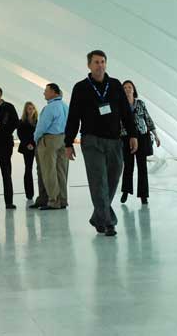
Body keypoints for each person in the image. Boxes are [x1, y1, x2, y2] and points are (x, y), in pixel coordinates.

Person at [65, 50, 138, 237]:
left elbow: (126, 112)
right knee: (98, 181)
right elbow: (73, 116)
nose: (100, 65)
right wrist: (68, 142)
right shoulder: (80, 88)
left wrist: (133, 134)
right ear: (89, 65)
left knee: (113, 179)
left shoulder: (114, 85)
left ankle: (98, 217)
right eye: (96, 62)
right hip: (91, 140)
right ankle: (108, 222)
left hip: (114, 140)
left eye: (103, 61)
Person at [120, 80, 160, 205]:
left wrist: (156, 135)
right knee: (128, 166)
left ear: (133, 90)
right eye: (125, 87)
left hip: (141, 137)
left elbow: (147, 118)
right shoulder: (119, 104)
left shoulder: (140, 103)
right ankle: (126, 191)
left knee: (142, 167)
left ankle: (143, 195)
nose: (127, 89)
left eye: (129, 87)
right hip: (126, 138)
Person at [34, 84, 70, 211]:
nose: (44, 93)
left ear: (54, 93)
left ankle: (54, 200)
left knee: (49, 171)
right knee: (62, 171)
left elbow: (42, 127)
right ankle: (63, 200)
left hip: (49, 140)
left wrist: (36, 138)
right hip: (64, 139)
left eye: (46, 91)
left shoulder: (50, 108)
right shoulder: (65, 106)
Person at [17, 101, 42, 202]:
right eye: (29, 108)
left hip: (37, 147)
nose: (31, 110)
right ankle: (29, 194)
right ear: (26, 110)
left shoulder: (38, 121)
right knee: (28, 169)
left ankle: (42, 193)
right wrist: (28, 144)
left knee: (41, 169)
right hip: (27, 148)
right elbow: (20, 134)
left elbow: (40, 133)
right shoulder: (21, 121)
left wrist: (34, 144)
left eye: (32, 108)